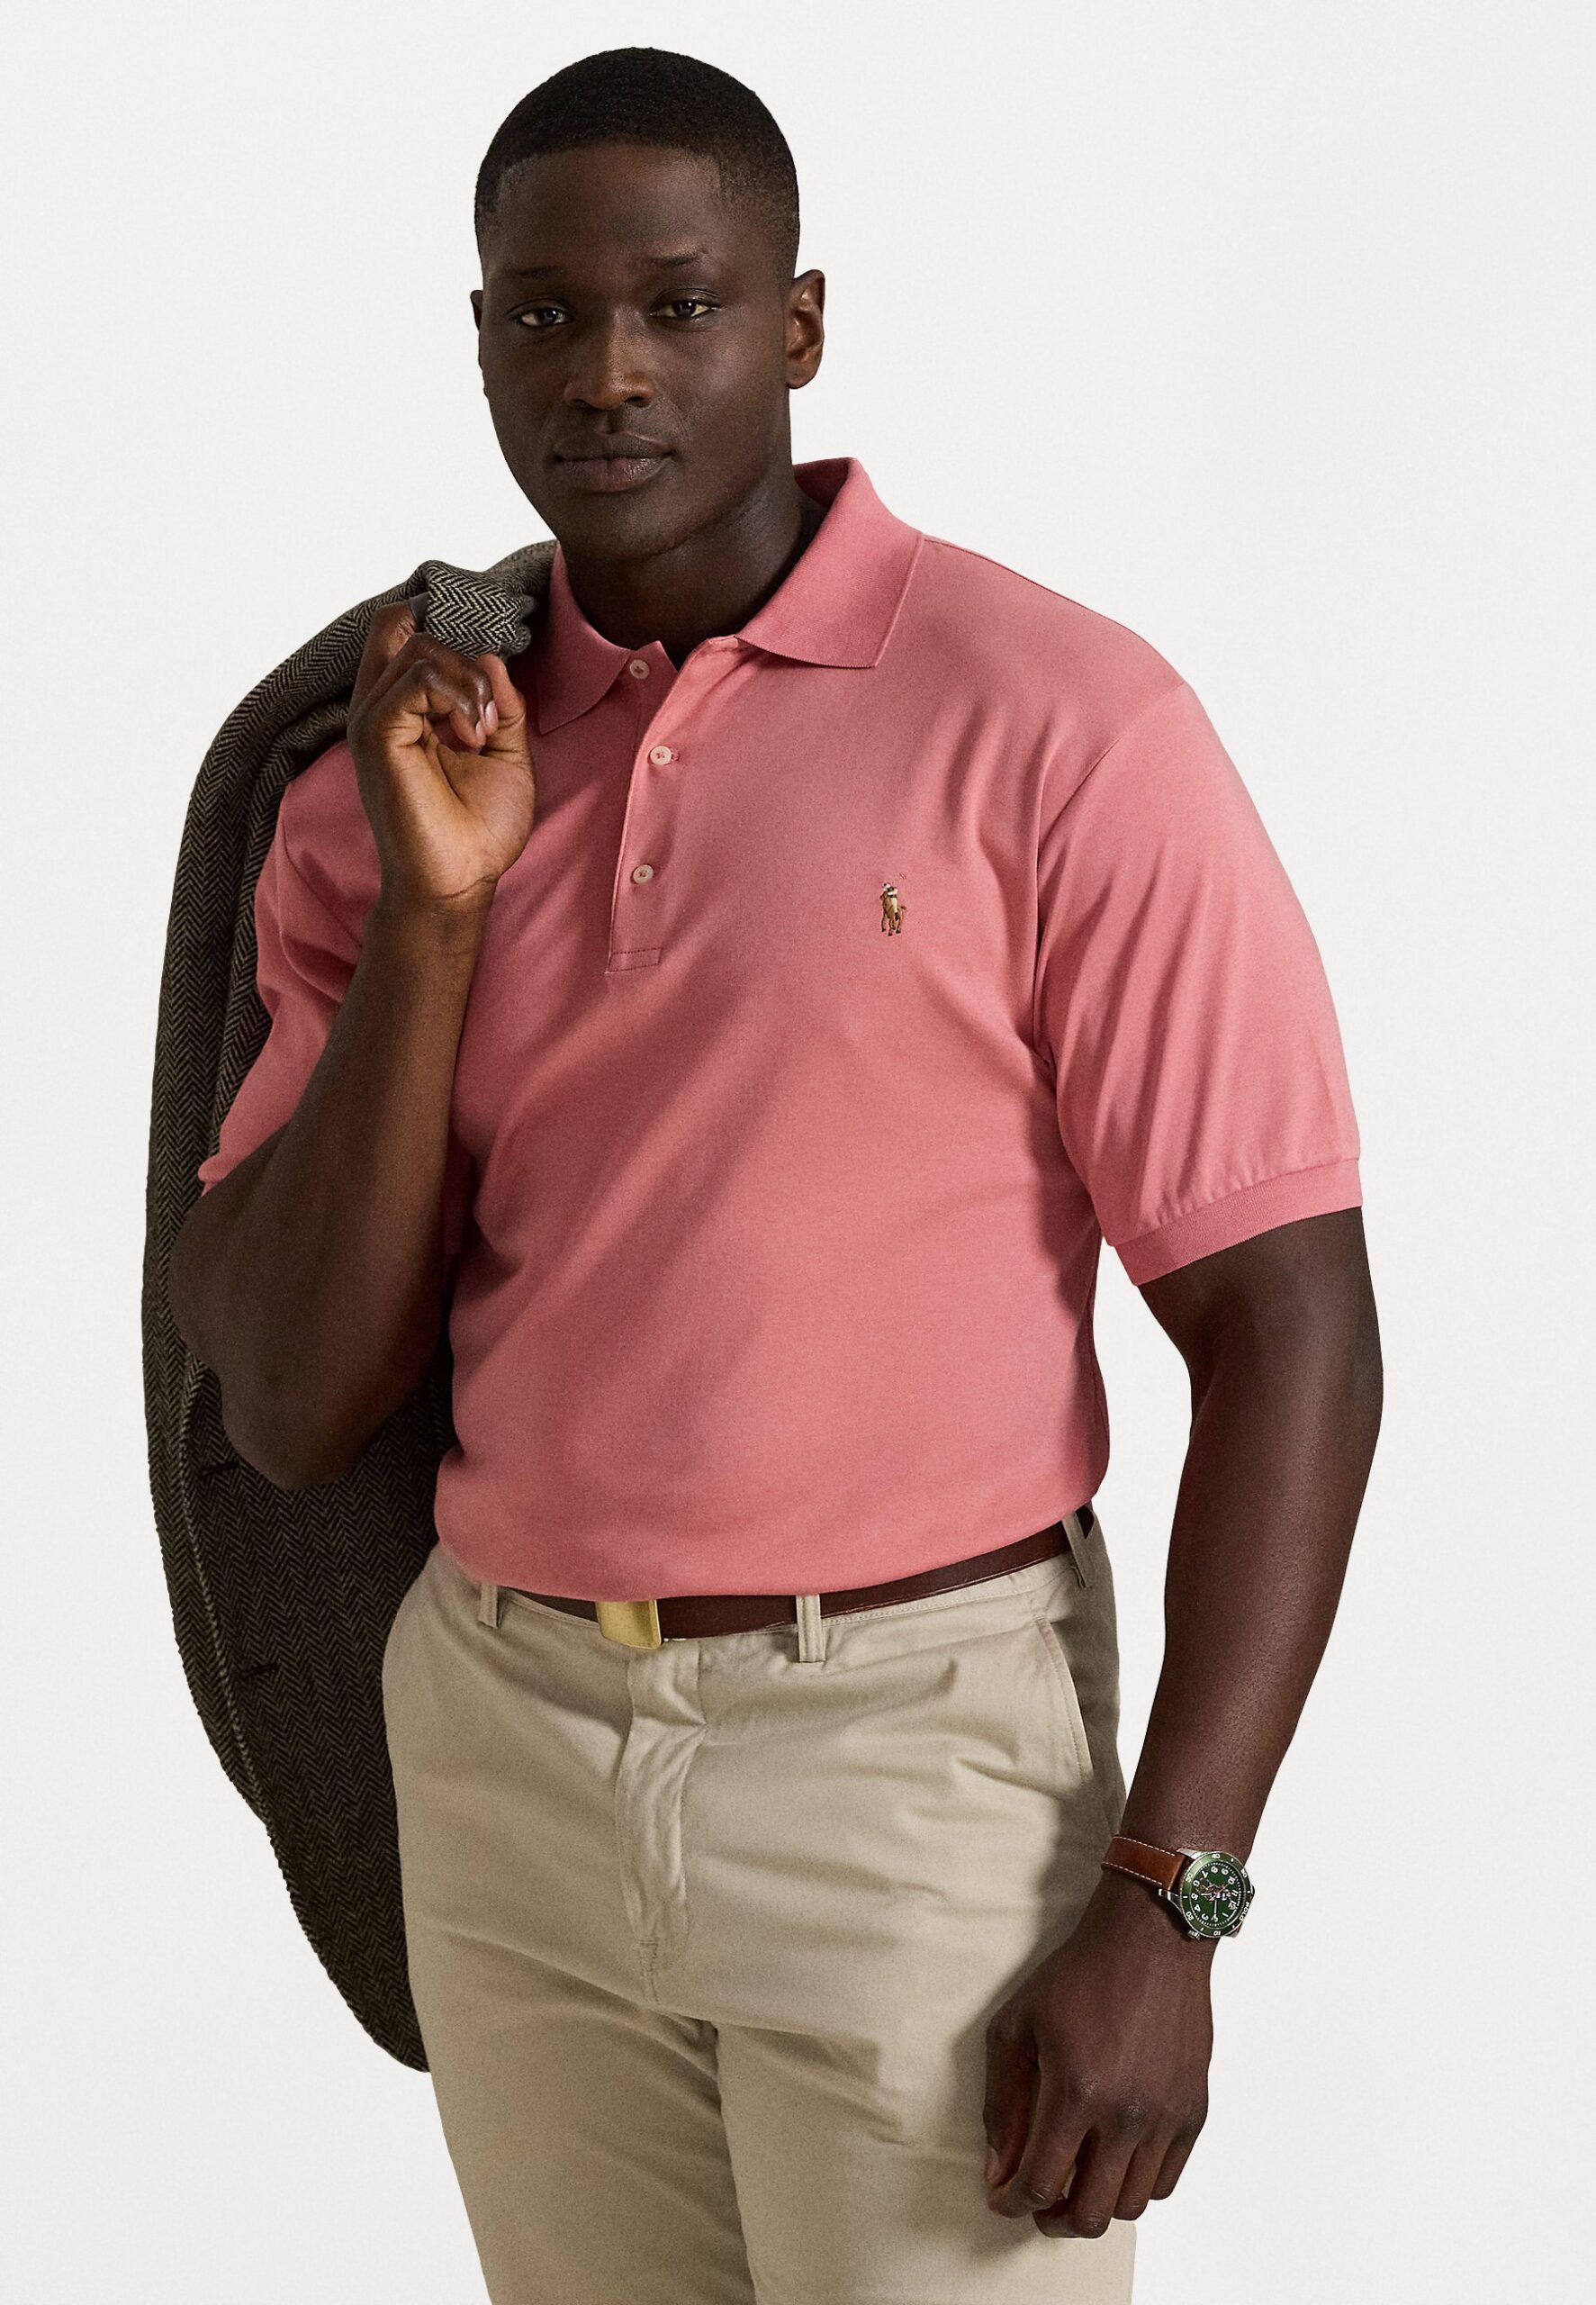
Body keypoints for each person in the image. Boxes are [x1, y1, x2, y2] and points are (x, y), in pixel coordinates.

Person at [167, 44, 1382, 2305]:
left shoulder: (1059, 720)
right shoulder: (386, 768)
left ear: (798, 323)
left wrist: (1171, 1895)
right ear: (477, 338)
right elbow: (291, 1399)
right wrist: (434, 905)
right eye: (545, 315)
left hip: (913, 1763)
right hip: (510, 1750)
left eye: (679, 304)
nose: (607, 372)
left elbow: (1287, 1322)